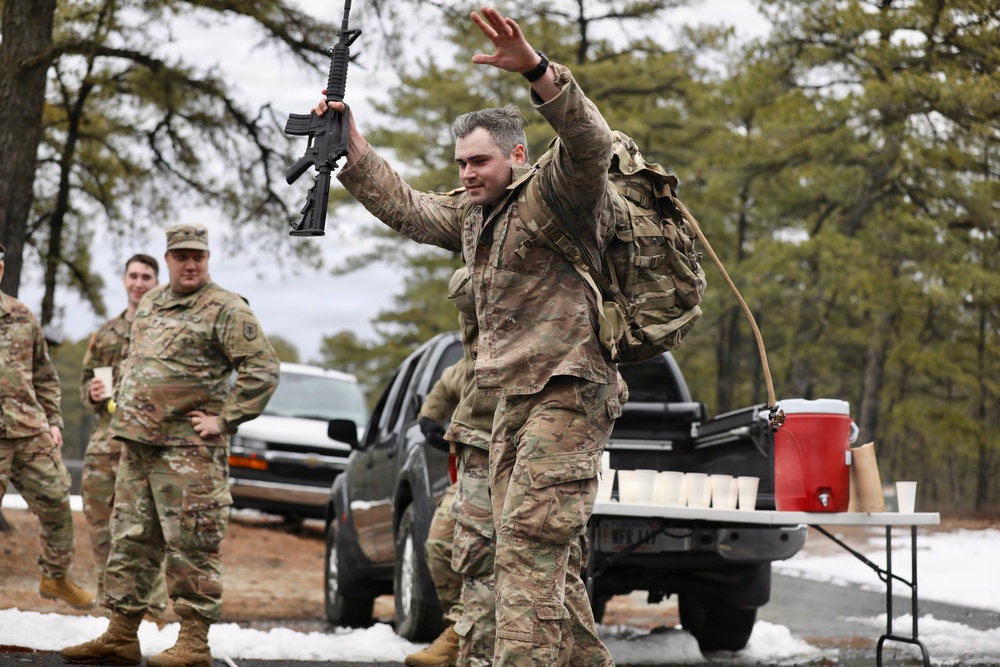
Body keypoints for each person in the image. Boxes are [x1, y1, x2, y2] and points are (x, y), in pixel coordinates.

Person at [315, 8, 623, 665]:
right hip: (511, 402)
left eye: (480, 160)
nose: (468, 172)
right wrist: (353, 147)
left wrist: (538, 72)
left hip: (569, 392)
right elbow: (409, 207)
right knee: (535, 555)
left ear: (517, 155)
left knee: (526, 542)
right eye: (461, 162)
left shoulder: (560, 195)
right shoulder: (475, 214)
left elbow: (590, 144)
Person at [61, 224, 280, 667]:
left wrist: (225, 419)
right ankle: (121, 635)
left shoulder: (225, 308)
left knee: (192, 544)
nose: (190, 264)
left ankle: (194, 643)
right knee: (130, 540)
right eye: (181, 256)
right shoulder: (152, 302)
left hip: (188, 453)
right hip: (137, 446)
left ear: (207, 258)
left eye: (198, 256)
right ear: (168, 259)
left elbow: (263, 369)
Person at [0, 242, 96, 611]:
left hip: (28, 429)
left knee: (57, 498)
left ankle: (55, 575)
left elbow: (44, 374)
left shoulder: (21, 316)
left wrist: (53, 420)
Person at [79, 253, 168, 615]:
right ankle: (110, 608)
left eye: (146, 277)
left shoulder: (166, 327)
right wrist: (92, 393)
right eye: (133, 275)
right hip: (106, 444)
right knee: (102, 527)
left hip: (151, 444)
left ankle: (154, 609)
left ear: (157, 282)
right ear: (124, 280)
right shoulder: (106, 333)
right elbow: (87, 382)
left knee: (150, 531)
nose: (139, 283)